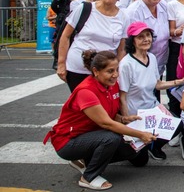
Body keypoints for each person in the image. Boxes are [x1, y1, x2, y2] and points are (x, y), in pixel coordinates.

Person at [45, 50, 156, 191]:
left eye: (116, 70)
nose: (115, 75)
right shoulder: (86, 91)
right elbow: (106, 123)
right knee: (111, 138)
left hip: (90, 135)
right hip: (68, 141)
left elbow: (108, 114)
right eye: (110, 71)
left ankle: (85, 161)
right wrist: (141, 134)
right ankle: (88, 177)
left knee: (132, 150)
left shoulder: (111, 84)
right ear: (96, 71)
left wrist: (123, 118)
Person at [118, 22, 184, 160]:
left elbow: (158, 84)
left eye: (148, 35)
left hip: (152, 109)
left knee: (177, 124)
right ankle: (143, 147)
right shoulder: (126, 64)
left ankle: (154, 147)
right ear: (133, 41)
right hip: (135, 114)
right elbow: (122, 96)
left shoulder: (152, 58)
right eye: (140, 37)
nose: (146, 39)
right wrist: (126, 121)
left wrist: (180, 81)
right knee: (140, 161)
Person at [57, 0, 128, 92]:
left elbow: (121, 47)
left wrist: (116, 69)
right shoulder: (84, 8)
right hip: (78, 70)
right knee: (82, 105)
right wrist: (61, 64)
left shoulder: (124, 17)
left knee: (101, 105)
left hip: (105, 72)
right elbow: (65, 36)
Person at [126, 0, 170, 77]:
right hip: (140, 66)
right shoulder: (134, 12)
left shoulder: (164, 6)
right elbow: (131, 42)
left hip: (159, 64)